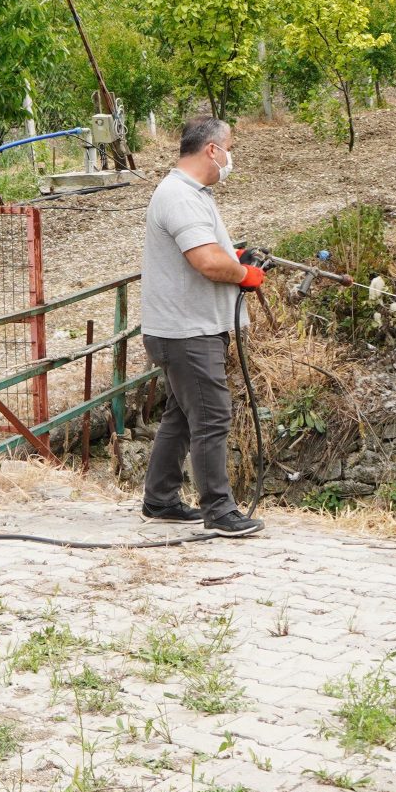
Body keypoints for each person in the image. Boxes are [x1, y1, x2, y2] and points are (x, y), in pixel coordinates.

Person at [138, 115, 266, 537]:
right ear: (212, 150)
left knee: (180, 415)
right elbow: (207, 262)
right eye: (229, 147)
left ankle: (160, 500)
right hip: (187, 331)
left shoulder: (190, 193)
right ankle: (220, 511)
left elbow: (211, 249)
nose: (231, 157)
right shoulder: (180, 196)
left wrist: (237, 255)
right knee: (212, 416)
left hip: (181, 328)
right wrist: (243, 274)